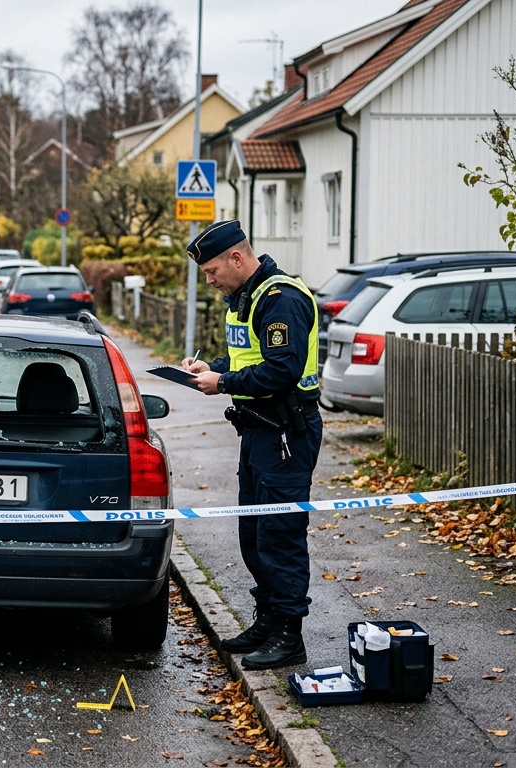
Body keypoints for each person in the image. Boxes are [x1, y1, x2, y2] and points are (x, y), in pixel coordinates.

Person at [180, 220, 322, 671]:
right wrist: (212, 367)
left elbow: (282, 369)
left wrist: (222, 382)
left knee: (280, 535)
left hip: (286, 433)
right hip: (259, 430)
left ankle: (288, 634)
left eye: (212, 270)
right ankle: (266, 619)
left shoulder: (280, 299)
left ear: (237, 258)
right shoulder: (245, 299)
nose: (210, 279)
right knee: (253, 534)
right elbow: (250, 360)